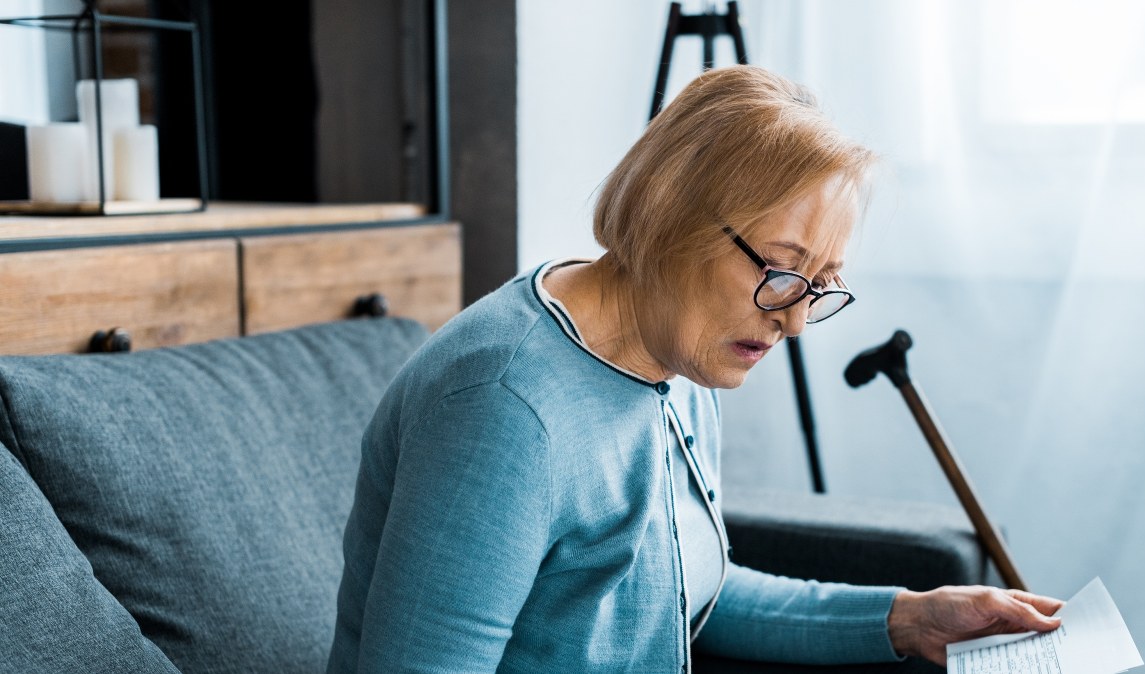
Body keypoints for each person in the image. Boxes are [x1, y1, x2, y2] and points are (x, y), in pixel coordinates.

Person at [327, 65, 1062, 672]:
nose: (796, 320)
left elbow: (692, 596)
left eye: (822, 285)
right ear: (667, 214)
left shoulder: (683, 353)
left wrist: (909, 619)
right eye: (780, 272)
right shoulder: (505, 409)